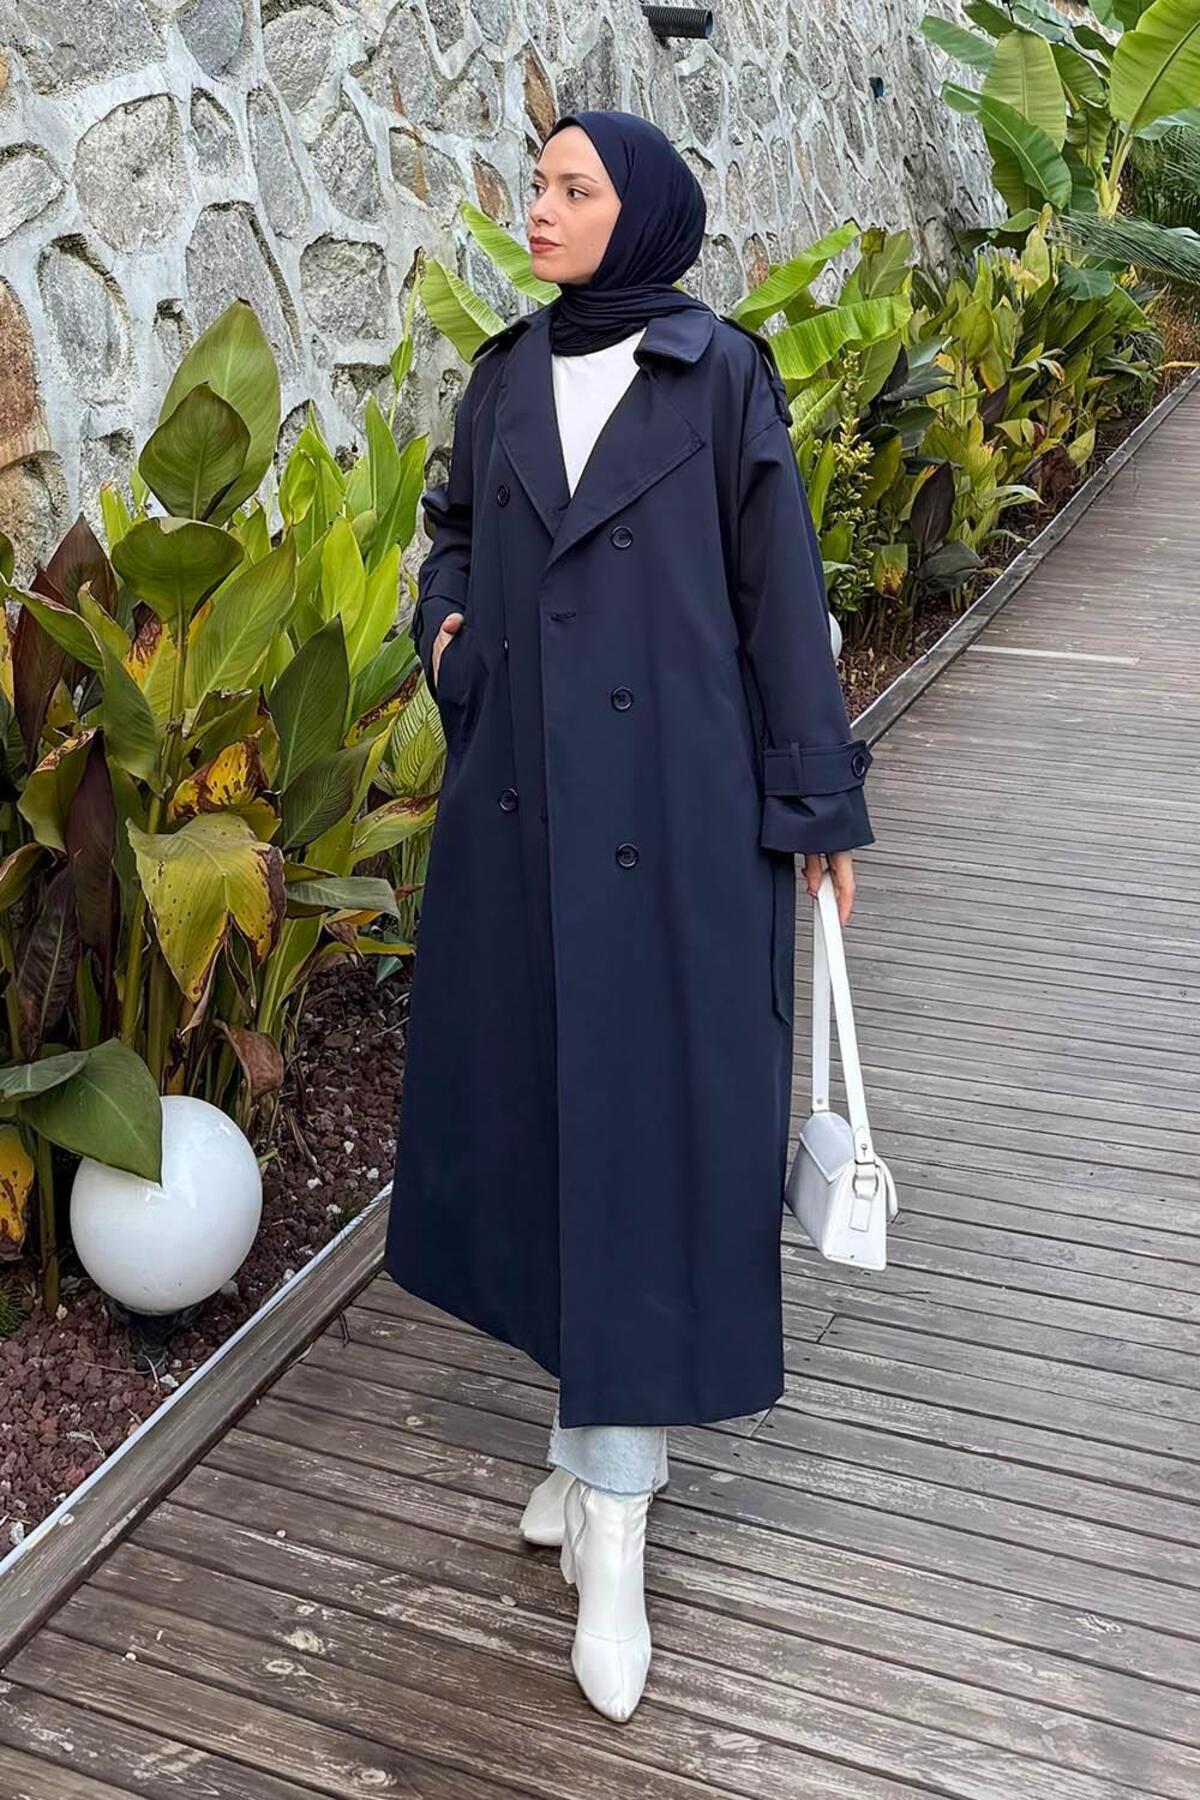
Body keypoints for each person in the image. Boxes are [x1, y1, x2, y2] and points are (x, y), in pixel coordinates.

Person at [385, 108, 875, 1723]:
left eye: (572, 188)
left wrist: (817, 805)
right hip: (521, 820)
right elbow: (455, 533)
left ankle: (617, 1528)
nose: (538, 206)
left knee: (651, 1150)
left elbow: (780, 593)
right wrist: (452, 642)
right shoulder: (506, 374)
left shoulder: (718, 375)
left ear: (642, 212)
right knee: (547, 1137)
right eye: (535, 183)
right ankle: (579, 1449)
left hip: (677, 827)